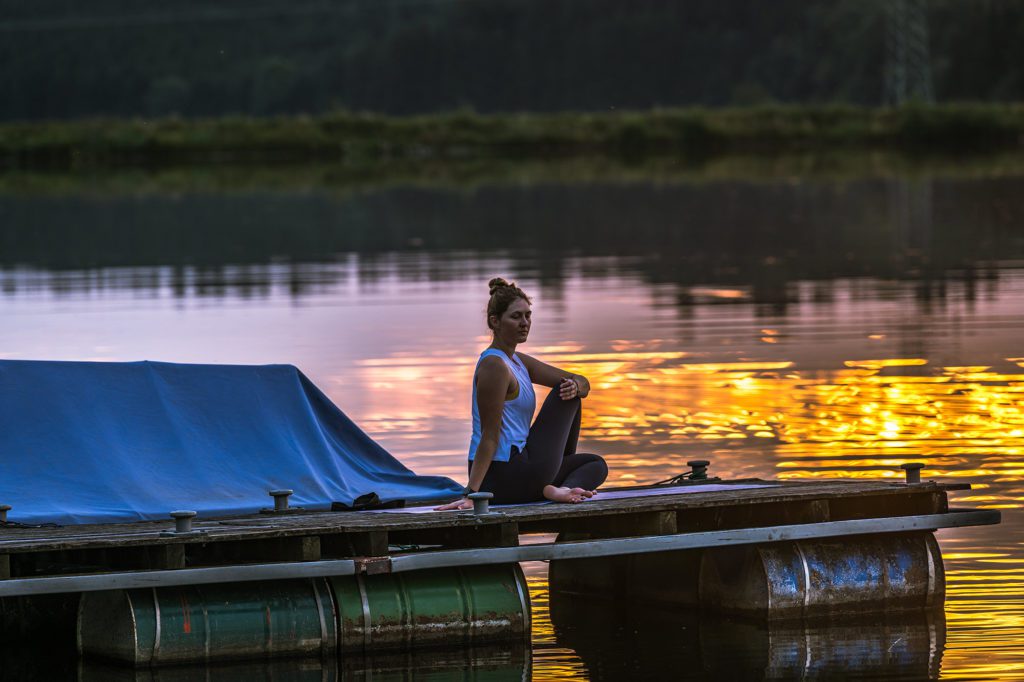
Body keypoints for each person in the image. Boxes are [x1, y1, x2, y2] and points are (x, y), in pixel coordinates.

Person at [436, 278, 608, 511]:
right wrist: (472, 494)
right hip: (504, 474)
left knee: (595, 464)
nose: (524, 323)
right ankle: (552, 485)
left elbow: (582, 382)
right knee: (565, 391)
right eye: (516, 317)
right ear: (495, 322)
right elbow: (489, 435)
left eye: (528, 316)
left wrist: (577, 387)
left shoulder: (518, 362)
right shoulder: (494, 366)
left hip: (521, 472)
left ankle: (562, 487)